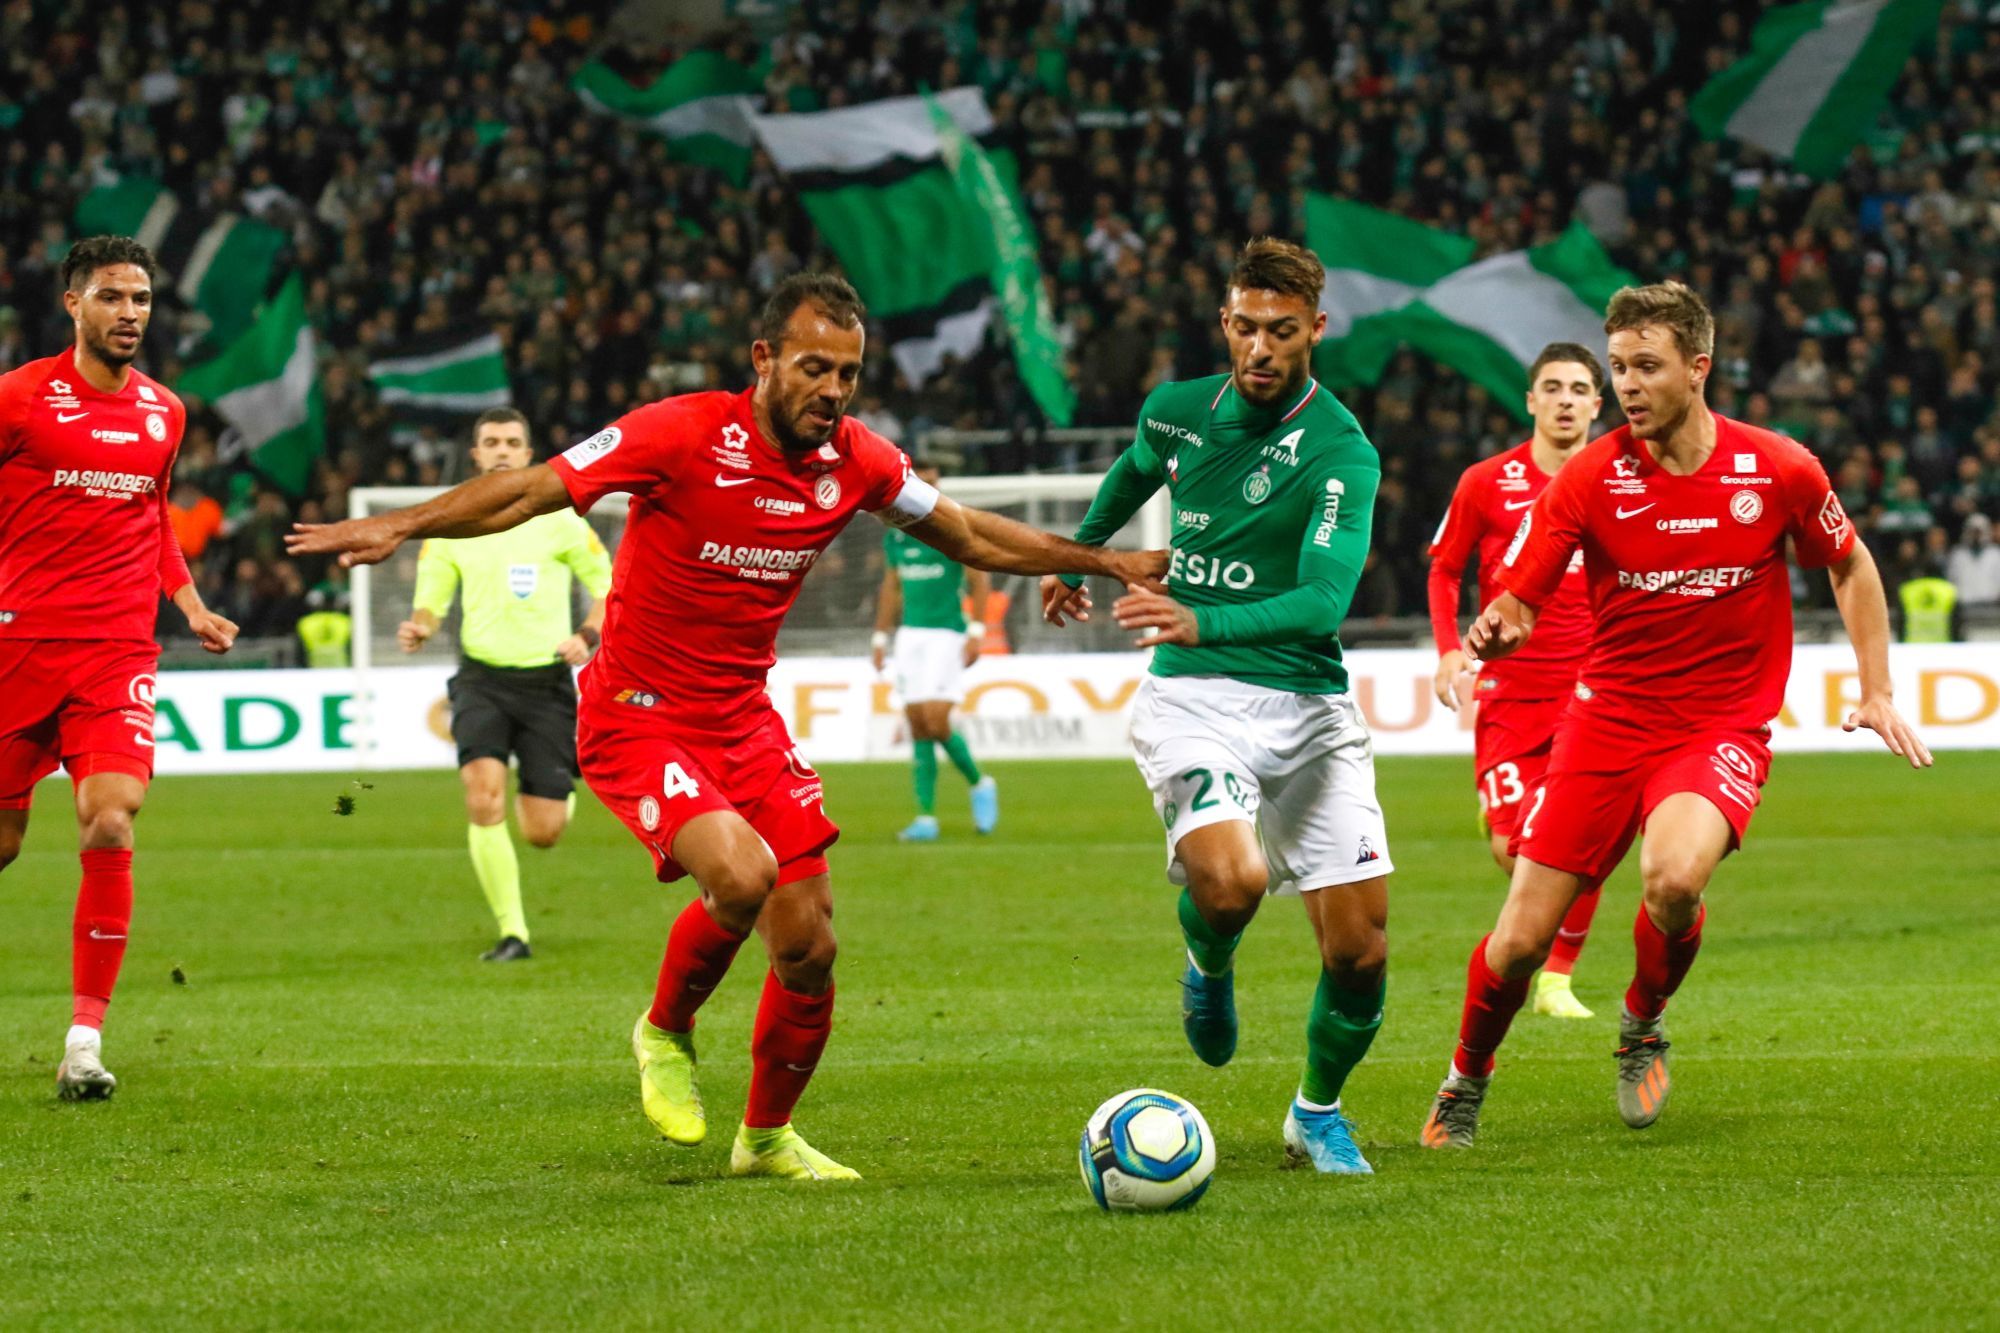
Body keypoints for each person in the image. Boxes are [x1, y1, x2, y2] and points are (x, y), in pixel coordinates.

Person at [289, 273, 1163, 1181]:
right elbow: (531, 491)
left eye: (849, 374)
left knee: (810, 942)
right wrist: (400, 524)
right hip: (636, 717)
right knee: (742, 875)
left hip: (742, 718)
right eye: (814, 367)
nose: (832, 390)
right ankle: (664, 1030)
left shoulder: (855, 458)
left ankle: (767, 1138)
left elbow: (971, 534)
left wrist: (1104, 559)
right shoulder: (680, 431)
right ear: (764, 358)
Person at [1420, 281, 1931, 1149]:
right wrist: (1494, 631)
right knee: (1517, 940)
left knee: (1673, 878)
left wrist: (1875, 686)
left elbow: (1849, 564)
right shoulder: (1588, 477)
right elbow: (1524, 601)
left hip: (1718, 724)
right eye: (1617, 366)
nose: (1626, 385)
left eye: (1645, 367)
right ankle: (1467, 1074)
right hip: (1608, 717)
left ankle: (1641, 1018)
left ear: (1699, 369)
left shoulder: (1777, 467)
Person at [1042, 238, 1390, 1175]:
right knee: (1230, 883)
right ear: (1225, 324)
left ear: (1316, 329)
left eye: (1283, 331)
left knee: (1359, 954)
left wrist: (1203, 616)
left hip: (1309, 709)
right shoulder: (1179, 411)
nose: (1262, 349)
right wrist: (1083, 553)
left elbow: (1323, 601)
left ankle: (1316, 1112)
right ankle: (1208, 959)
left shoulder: (1342, 452)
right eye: (1246, 328)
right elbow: (1135, 466)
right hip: (1192, 699)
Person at [0, 235, 237, 1100]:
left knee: (110, 818)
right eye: (111, 297)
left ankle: (84, 1040)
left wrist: (191, 603)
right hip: (17, 646)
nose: (129, 313)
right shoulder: (20, 398)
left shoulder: (165, 412)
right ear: (73, 303)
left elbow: (153, 519)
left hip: (114, 651)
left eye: (140, 298)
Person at [1428, 344, 1605, 1020]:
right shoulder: (1486, 481)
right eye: (1552, 387)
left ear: (1596, 403)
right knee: (1515, 849)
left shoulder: (1619, 480)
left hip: (1594, 687)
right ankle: (1502, 822)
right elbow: (1445, 568)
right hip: (1511, 689)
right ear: (1530, 401)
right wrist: (1450, 652)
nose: (1565, 399)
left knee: (1577, 842)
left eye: (1579, 388)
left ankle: (1557, 978)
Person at [399, 408, 612, 961]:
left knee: (543, 831)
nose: (500, 450)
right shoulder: (452, 521)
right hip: (481, 681)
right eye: (490, 441)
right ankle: (513, 933)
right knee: (483, 798)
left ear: (527, 454)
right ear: (475, 455)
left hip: (546, 686)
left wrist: (587, 635)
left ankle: (563, 774)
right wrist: (421, 624)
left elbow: (612, 587)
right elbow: (433, 593)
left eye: (511, 442)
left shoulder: (562, 520)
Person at [869, 460, 998, 842]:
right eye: (920, 480)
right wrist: (880, 637)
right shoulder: (895, 536)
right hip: (910, 637)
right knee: (918, 724)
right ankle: (926, 817)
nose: (926, 487)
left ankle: (979, 782)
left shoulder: (950, 527)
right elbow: (891, 588)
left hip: (947, 635)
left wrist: (977, 629)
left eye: (932, 480)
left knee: (937, 721)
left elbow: (979, 579)